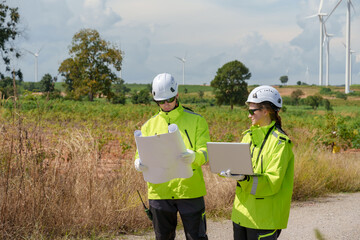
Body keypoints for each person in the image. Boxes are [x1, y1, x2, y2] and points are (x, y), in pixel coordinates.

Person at [134, 73, 210, 240]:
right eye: (161, 102)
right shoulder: (149, 125)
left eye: (169, 99)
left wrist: (195, 157)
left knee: (196, 237)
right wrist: (139, 161)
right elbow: (141, 151)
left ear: (177, 95)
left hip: (190, 190)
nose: (166, 104)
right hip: (159, 192)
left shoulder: (197, 121)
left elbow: (205, 152)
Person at [220, 85, 294, 240]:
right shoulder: (247, 136)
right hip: (241, 214)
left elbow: (273, 181)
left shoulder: (280, 143)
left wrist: (244, 178)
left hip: (264, 219)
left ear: (266, 110)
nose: (249, 115)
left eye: (252, 111)